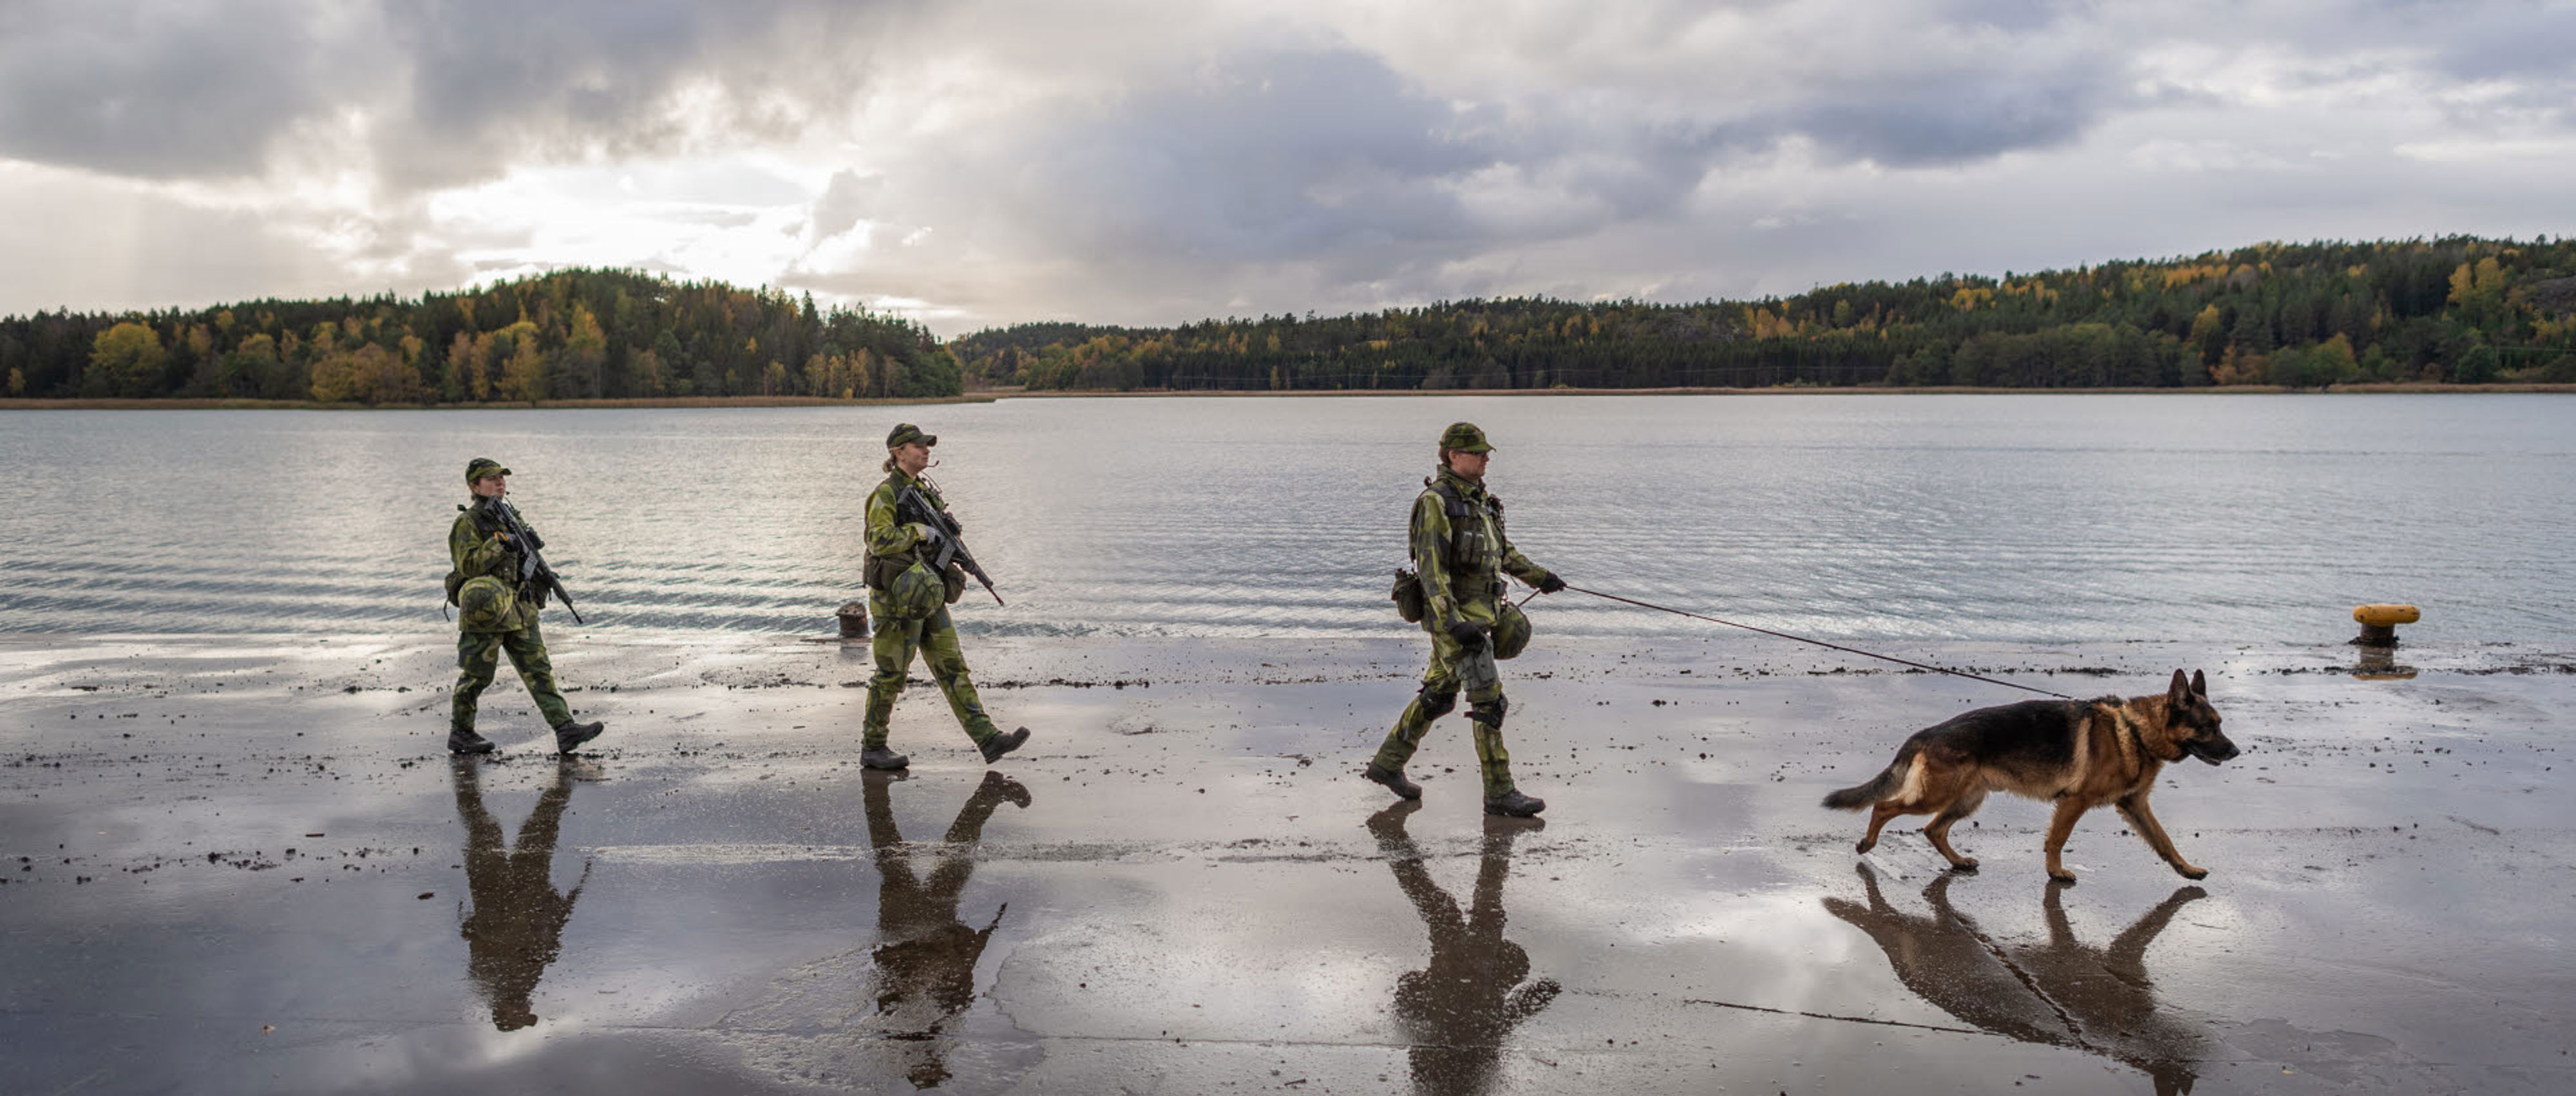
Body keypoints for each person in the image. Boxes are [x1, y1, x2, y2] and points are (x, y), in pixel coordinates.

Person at [1365, 422, 1564, 817]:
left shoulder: (1482, 502)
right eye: (1477, 453)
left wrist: (1542, 578)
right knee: (1489, 702)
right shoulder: (1435, 503)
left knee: (1438, 697)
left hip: (1482, 616)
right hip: (1455, 623)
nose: (1486, 458)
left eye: (1486, 453)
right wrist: (1454, 623)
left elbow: (1504, 554)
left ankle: (1387, 764)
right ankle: (1499, 792)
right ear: (1453, 456)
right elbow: (1431, 571)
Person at [858, 424, 1030, 770]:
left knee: (952, 666)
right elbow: (878, 540)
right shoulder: (886, 494)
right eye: (918, 446)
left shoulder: (923, 490)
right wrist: (919, 531)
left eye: (927, 446)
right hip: (896, 598)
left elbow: (938, 536)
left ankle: (988, 738)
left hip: (926, 593)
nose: (926, 451)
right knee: (891, 675)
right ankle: (873, 748)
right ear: (897, 452)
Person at [446, 457, 605, 755]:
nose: (499, 482)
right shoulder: (468, 522)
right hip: (488, 611)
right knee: (477, 675)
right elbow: (467, 565)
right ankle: (461, 734)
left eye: (501, 478)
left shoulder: (509, 515)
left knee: (538, 669)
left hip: (520, 607)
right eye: (490, 478)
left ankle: (565, 729)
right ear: (473, 486)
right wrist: (499, 543)